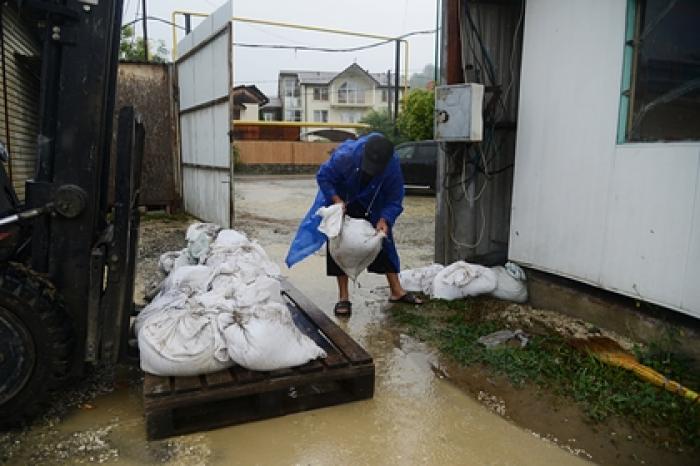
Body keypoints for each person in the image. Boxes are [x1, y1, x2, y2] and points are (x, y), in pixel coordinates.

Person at [286, 133, 423, 317]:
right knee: (338, 243)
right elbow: (324, 177)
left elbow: (394, 199)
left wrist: (385, 219)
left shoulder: (391, 166)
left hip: (374, 204)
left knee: (384, 242)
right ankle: (343, 297)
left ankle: (396, 291)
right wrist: (336, 200)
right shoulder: (346, 155)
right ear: (363, 153)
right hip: (344, 200)